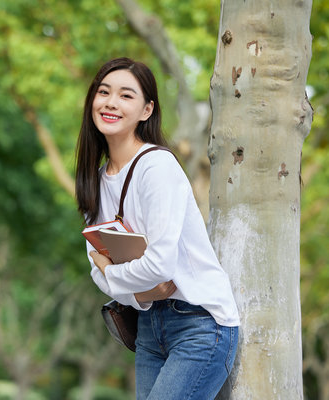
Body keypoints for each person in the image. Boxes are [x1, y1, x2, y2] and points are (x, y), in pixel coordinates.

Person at [75, 57, 240, 400]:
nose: (110, 102)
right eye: (103, 92)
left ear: (146, 110)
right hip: (148, 326)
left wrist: (114, 275)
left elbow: (160, 267)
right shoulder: (96, 180)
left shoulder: (157, 167)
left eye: (125, 95)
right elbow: (96, 267)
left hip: (200, 325)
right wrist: (142, 294)